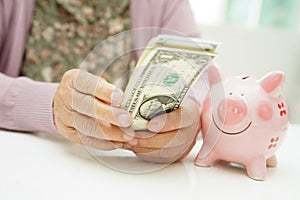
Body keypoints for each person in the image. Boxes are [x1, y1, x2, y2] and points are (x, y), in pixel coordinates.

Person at [0, 0, 203, 163]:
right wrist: (49, 105)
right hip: (23, 163)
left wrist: (185, 118)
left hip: (117, 170)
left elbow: (201, 76)